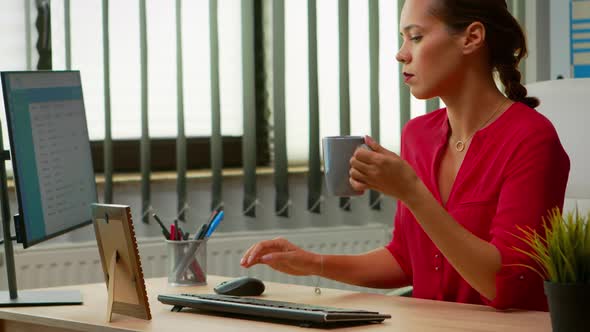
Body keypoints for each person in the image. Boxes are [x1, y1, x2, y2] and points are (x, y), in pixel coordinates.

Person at [240, 0, 570, 311]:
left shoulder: (531, 139)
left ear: (471, 38)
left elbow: (504, 287)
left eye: (416, 37)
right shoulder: (418, 136)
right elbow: (405, 260)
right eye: (403, 39)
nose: (401, 54)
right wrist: (313, 262)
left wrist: (412, 192)